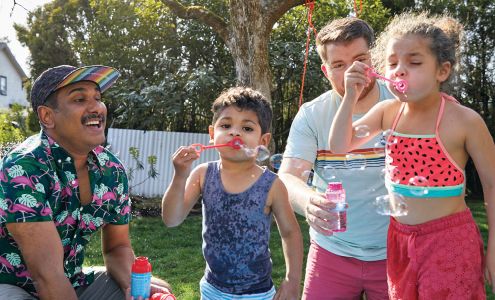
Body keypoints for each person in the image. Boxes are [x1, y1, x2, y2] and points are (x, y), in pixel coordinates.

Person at [329, 12, 495, 299]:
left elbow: (492, 186)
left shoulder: (464, 121)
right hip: (400, 239)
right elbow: (339, 145)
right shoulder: (388, 112)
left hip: (449, 241)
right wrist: (350, 96)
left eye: (414, 62)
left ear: (442, 71)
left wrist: (493, 250)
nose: (399, 70)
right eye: (392, 63)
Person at [0, 65, 171, 300]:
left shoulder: (111, 169)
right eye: (80, 99)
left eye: (98, 98)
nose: (96, 107)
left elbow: (117, 247)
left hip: (69, 280)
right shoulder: (24, 167)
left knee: (155, 290)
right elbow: (47, 275)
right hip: (10, 284)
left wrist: (134, 286)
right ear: (47, 116)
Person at [278, 17, 394, 299]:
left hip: (396, 251)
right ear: (325, 70)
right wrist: (309, 202)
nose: (352, 72)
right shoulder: (312, 114)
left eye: (360, 59)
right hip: (332, 251)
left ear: (374, 60)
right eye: (339, 65)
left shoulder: (403, 104)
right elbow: (288, 176)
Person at [162, 87, 303, 299]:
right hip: (213, 290)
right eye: (226, 125)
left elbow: (291, 233)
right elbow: (171, 219)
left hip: (259, 293)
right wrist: (180, 175)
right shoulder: (203, 174)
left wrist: (292, 281)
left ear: (263, 141)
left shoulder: (272, 184)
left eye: (247, 128)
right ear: (212, 134)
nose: (234, 133)